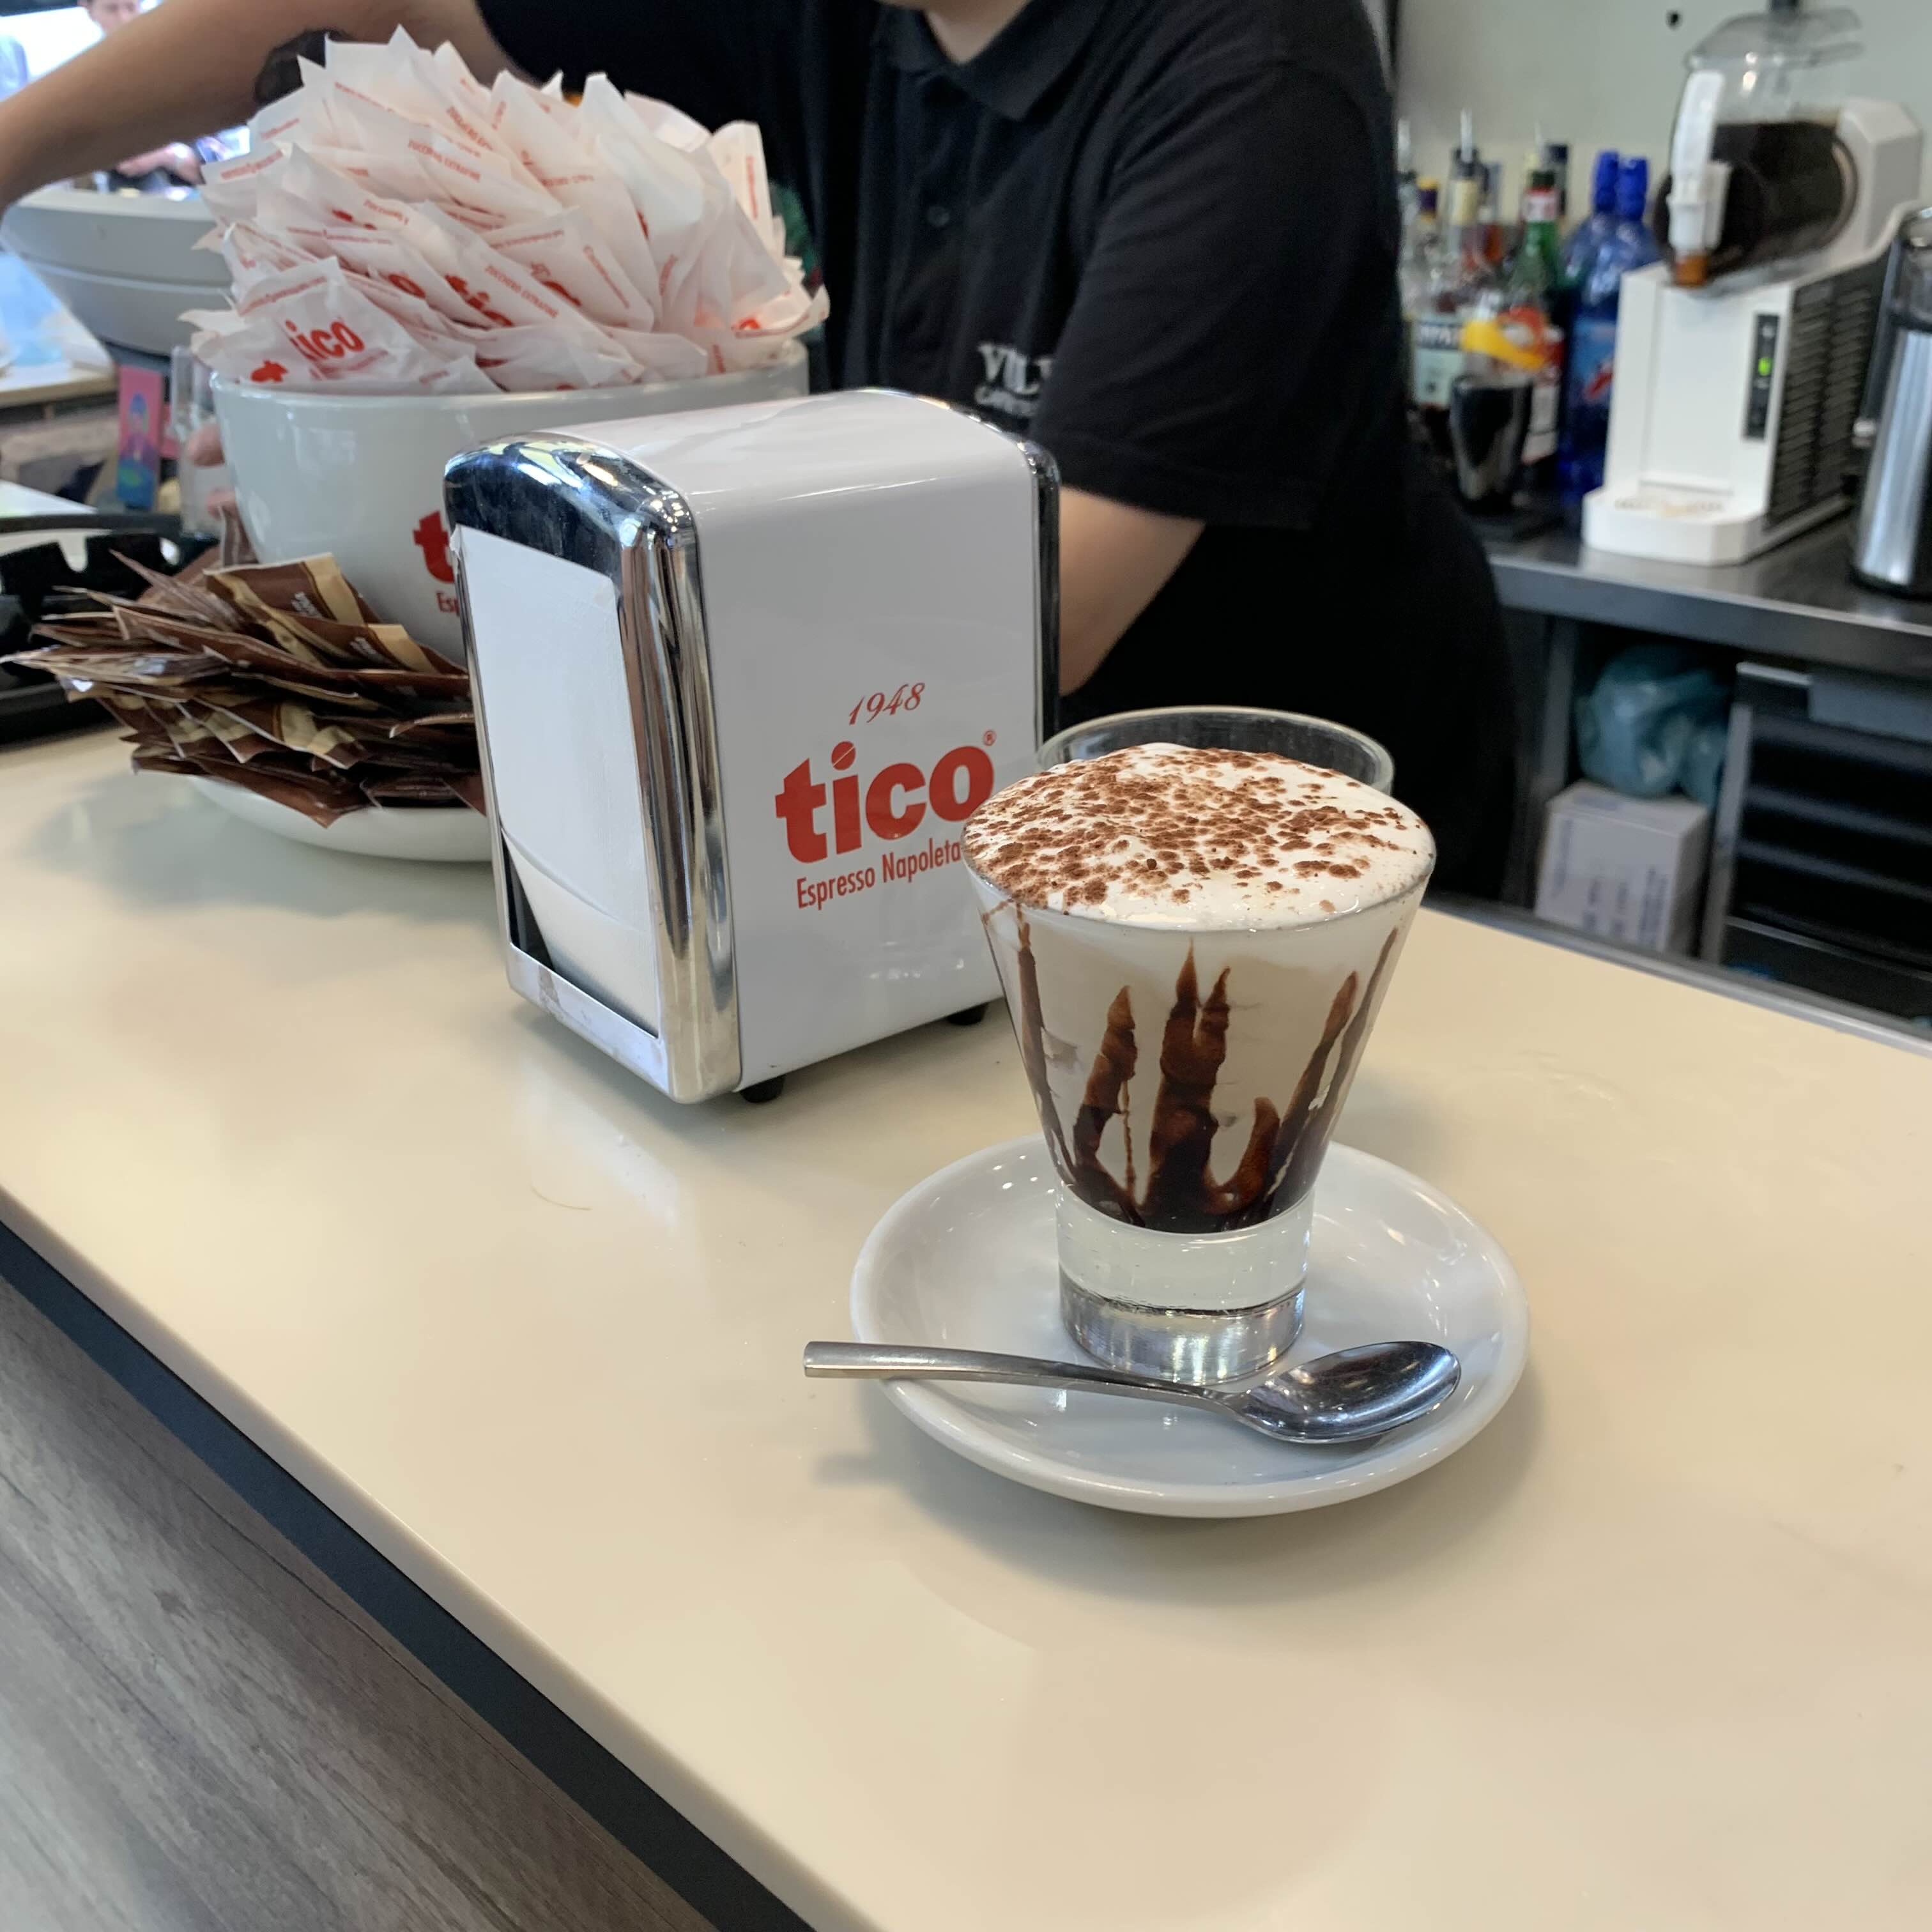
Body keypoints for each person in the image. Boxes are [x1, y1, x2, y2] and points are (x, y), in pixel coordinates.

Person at [0, 0, 1517, 891]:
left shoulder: (1252, 74)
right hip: (939, 812)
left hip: (1282, 836)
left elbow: (1037, 614)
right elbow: (356, 10)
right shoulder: (836, 19)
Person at [82, 0, 205, 186]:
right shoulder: (84, 86)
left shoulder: (180, 70)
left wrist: (166, 156)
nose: (124, 19)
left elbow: (220, 161)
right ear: (89, 10)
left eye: (131, 7)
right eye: (111, 9)